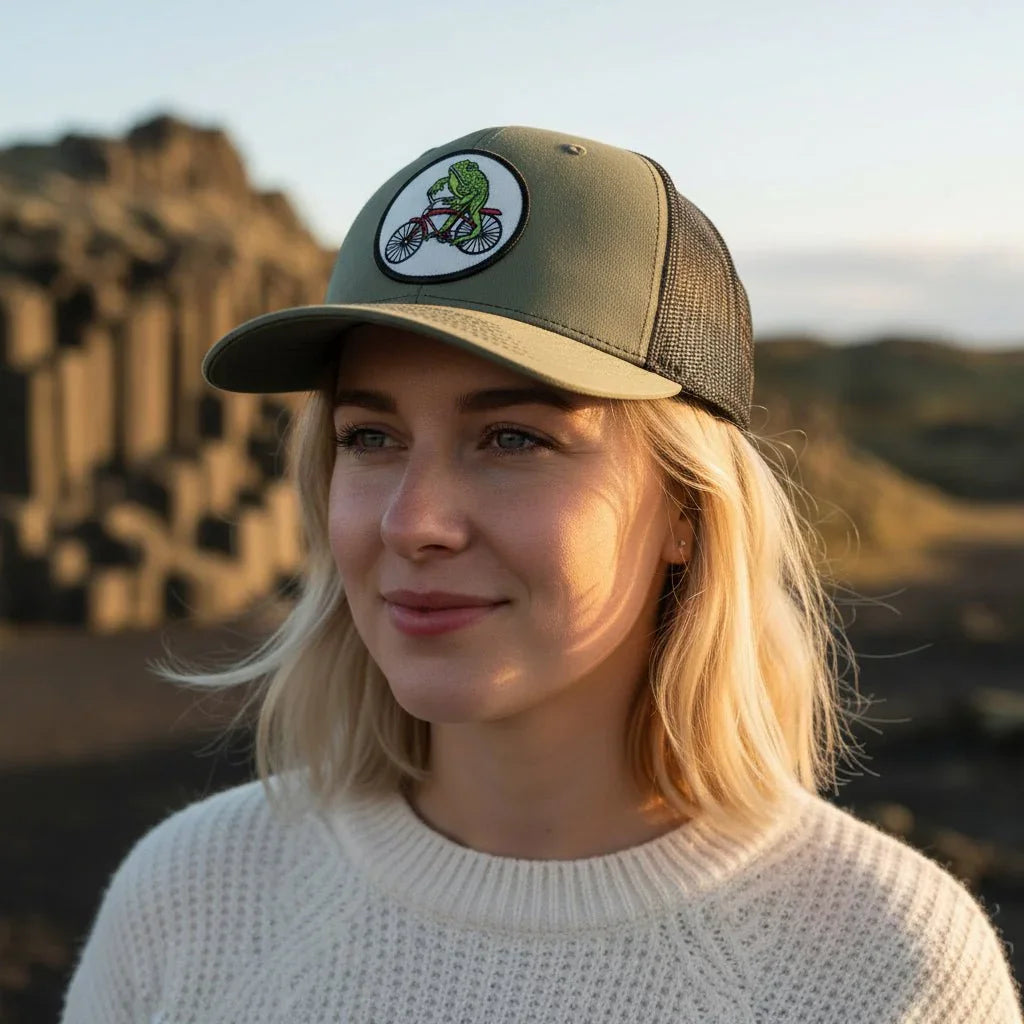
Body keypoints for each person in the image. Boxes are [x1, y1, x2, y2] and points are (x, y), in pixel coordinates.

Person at [60, 126, 1022, 1023]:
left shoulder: (889, 971)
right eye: (371, 437)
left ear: (686, 510)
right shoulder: (188, 898)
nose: (413, 522)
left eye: (513, 437)